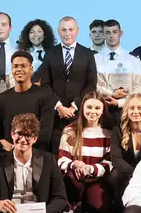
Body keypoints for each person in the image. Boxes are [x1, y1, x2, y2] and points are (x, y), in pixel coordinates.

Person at [38, 16, 98, 153]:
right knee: (54, 152)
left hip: (78, 113)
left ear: (77, 31)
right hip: (54, 115)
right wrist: (58, 106)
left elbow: (91, 84)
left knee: (77, 152)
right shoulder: (50, 53)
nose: (67, 33)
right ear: (58, 31)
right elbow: (45, 83)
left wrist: (73, 106)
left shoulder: (87, 54)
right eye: (63, 30)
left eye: (70, 29)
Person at [58, 92, 113, 213]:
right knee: (72, 178)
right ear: (82, 108)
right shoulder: (70, 130)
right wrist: (75, 164)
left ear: (103, 111)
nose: (92, 111)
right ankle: (71, 208)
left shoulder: (108, 134)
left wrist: (90, 169)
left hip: (95, 180)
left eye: (97, 108)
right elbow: (62, 159)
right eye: (89, 107)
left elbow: (109, 162)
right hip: (73, 180)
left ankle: (87, 208)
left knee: (100, 206)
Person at [0, 51, 54, 152]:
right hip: (7, 157)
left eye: (23, 66)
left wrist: (17, 147)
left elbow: (45, 134)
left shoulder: (45, 96)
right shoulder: (3, 98)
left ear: (31, 69)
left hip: (36, 156)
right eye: (15, 66)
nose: (19, 69)